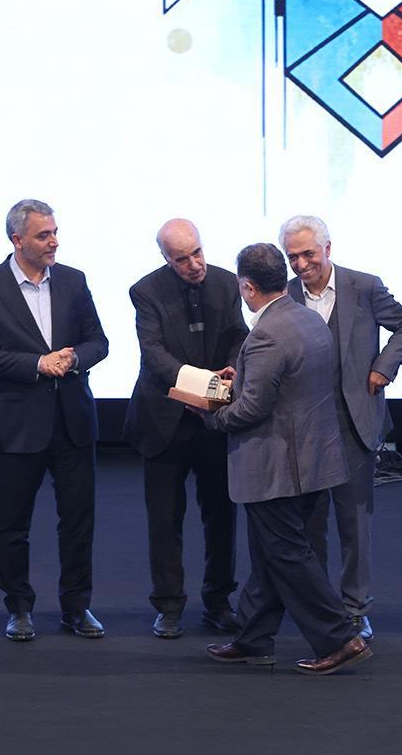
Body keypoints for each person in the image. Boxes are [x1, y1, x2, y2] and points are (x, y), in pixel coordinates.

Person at [195, 244, 372, 676]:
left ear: (247, 286)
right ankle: (254, 638)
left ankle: (339, 638)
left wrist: (209, 413)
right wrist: (245, 376)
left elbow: (251, 410)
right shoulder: (307, 319)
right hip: (314, 461)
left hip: (276, 468)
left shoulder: (266, 334)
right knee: (270, 553)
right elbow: (292, 385)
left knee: (288, 554)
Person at [0, 199, 109, 642]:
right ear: (17, 240)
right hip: (17, 424)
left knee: (78, 521)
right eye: (44, 235)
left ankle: (76, 607)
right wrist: (36, 364)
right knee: (12, 525)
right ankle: (19, 608)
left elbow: (98, 341)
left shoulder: (73, 280)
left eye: (55, 232)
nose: (54, 242)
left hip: (73, 421)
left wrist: (74, 359)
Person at [281, 215, 402, 641]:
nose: (301, 264)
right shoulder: (286, 294)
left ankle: (356, 609)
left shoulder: (364, 286)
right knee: (310, 523)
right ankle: (320, 607)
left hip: (354, 421)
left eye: (308, 253)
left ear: (328, 248)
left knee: (354, 522)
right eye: (292, 257)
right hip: (303, 427)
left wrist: (383, 367)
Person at [123, 219, 248, 639]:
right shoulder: (145, 291)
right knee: (164, 519)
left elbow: (239, 335)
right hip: (164, 420)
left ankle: (219, 602)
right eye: (182, 259)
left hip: (215, 419)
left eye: (197, 252)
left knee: (221, 516)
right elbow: (154, 354)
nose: (195, 264)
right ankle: (169, 605)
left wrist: (230, 371)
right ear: (166, 258)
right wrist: (203, 385)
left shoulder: (228, 283)